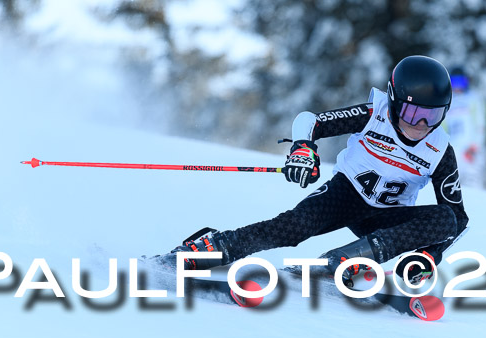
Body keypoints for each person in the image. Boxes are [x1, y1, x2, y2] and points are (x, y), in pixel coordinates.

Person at [171, 55, 469, 286]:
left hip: (386, 221)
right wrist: (303, 148)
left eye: (432, 116)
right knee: (295, 226)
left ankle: (348, 260)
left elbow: (458, 216)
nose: (420, 126)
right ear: (393, 100)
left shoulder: (439, 150)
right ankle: (215, 247)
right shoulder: (372, 114)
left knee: (446, 219)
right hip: (346, 195)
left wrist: (431, 255)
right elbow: (310, 120)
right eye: (412, 112)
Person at [443, 66, 486, 188]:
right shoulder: (448, 100)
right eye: (454, 82)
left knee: (472, 184)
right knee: (450, 185)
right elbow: (443, 127)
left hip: (470, 150)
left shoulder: (474, 98)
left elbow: (480, 124)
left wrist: (475, 146)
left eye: (461, 82)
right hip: (453, 149)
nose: (457, 86)